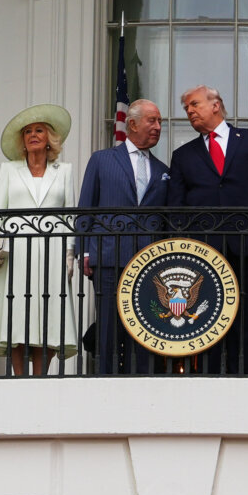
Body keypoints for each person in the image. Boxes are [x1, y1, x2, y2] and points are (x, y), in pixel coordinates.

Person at [167, 84, 248, 376]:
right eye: (186, 108)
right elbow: (175, 208)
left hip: (247, 243)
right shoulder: (183, 155)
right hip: (204, 249)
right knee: (206, 312)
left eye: (194, 104)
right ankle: (208, 373)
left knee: (246, 311)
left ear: (216, 105)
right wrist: (182, 247)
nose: (189, 112)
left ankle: (243, 372)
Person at [77, 98, 170, 375]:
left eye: (160, 122)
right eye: (152, 121)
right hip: (107, 256)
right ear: (131, 124)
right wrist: (84, 251)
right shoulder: (102, 160)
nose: (157, 127)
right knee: (108, 326)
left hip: (149, 261)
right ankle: (106, 381)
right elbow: (86, 208)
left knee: (145, 326)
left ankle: (141, 382)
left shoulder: (164, 171)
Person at [0, 104, 80, 376]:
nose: (33, 135)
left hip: (53, 251)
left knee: (49, 313)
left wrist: (70, 253)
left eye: (39, 130)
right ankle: (18, 376)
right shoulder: (9, 170)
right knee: (17, 312)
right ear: (22, 141)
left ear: (49, 138)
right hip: (17, 251)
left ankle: (40, 377)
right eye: (28, 132)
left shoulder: (64, 171)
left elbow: (69, 216)